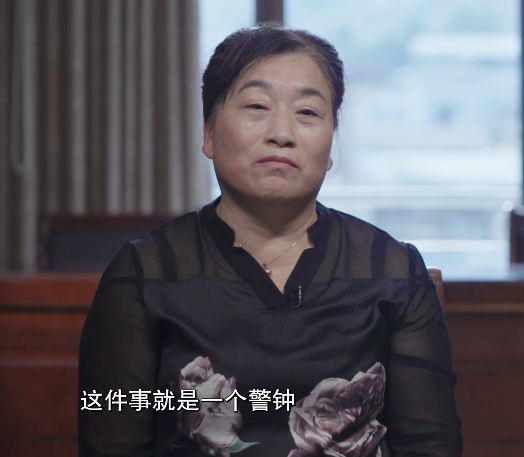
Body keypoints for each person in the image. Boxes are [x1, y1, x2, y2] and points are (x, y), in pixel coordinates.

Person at [78, 23, 462, 457]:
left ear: (331, 143)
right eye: (257, 106)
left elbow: (430, 446)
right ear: (208, 133)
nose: (282, 132)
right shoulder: (144, 274)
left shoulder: (393, 271)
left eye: (307, 113)